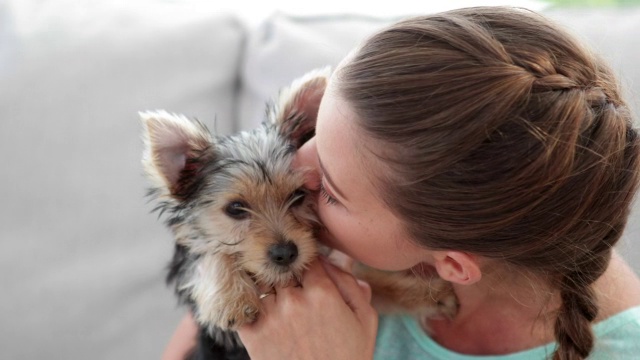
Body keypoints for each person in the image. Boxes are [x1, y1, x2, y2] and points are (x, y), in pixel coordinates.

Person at [163, 6, 640, 360]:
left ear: (451, 264)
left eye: (330, 190)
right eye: (315, 134)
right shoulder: (275, 257)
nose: (298, 168)